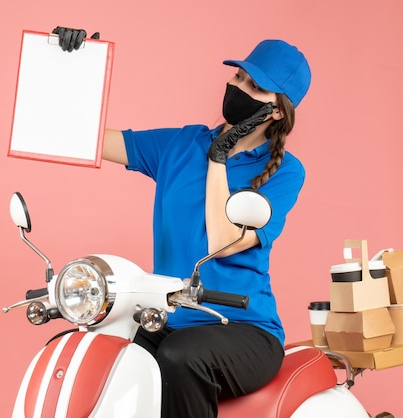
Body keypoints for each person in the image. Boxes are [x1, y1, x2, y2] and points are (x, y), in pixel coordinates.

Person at [54, 28, 311, 418]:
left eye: (254, 87)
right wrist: (71, 69)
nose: (238, 86)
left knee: (180, 357)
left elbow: (222, 241)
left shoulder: (285, 172)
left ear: (275, 111)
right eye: (238, 76)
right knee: (100, 356)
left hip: (244, 328)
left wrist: (219, 157)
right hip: (169, 318)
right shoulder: (180, 144)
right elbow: (78, 139)